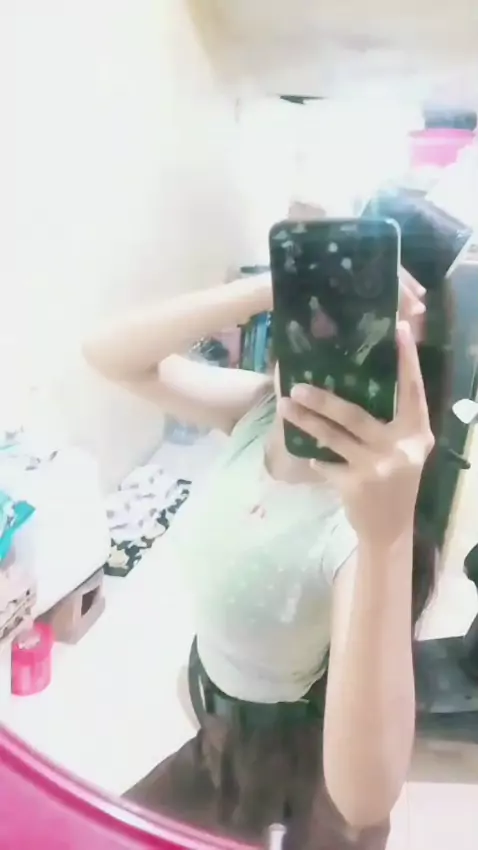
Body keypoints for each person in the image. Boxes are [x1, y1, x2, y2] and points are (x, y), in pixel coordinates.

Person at [83, 219, 450, 849]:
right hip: (214, 727)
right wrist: (268, 286)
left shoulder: (357, 525)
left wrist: (386, 539)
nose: (330, 338)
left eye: (368, 332)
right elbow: (106, 353)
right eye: (318, 306)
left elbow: (363, 802)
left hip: (287, 761)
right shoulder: (257, 412)